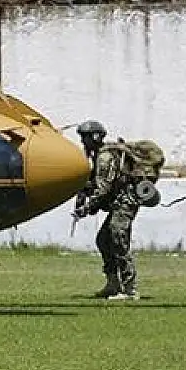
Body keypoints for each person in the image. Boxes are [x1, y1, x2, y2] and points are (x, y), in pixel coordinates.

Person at [73, 120, 139, 300]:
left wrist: (87, 207)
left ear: (96, 137)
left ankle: (129, 289)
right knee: (103, 240)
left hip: (125, 203)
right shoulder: (97, 156)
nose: (83, 142)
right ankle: (113, 283)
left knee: (118, 240)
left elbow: (103, 189)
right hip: (118, 204)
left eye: (86, 137)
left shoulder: (104, 158)